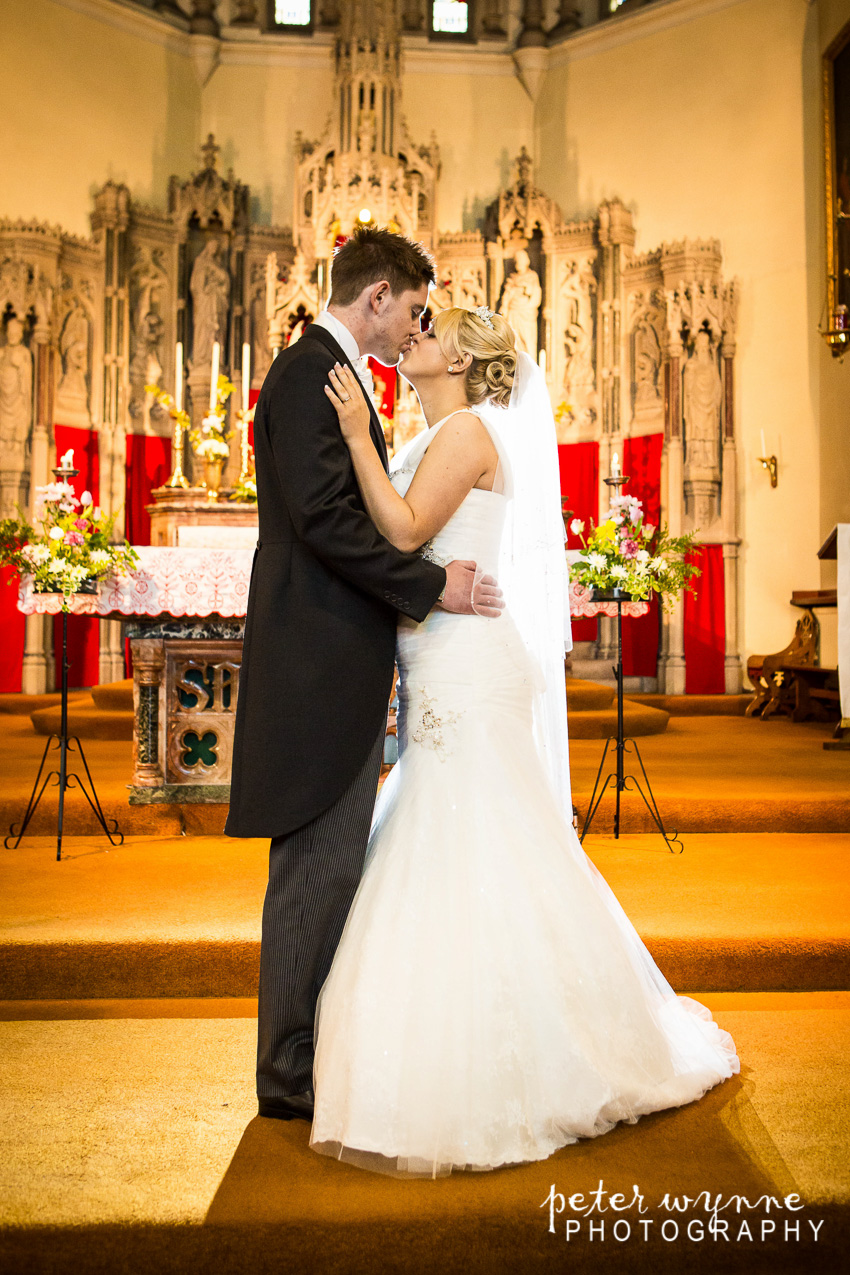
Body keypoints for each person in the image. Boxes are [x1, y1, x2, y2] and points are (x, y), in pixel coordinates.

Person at [309, 304, 740, 1177]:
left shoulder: (467, 430)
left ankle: (532, 1056)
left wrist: (356, 435)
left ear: (465, 358)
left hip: (467, 667)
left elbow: (401, 530)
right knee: (467, 838)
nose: (416, 336)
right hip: (442, 659)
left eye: (433, 329)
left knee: (472, 836)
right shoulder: (443, 431)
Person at [224, 228, 503, 1123]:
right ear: (376, 296)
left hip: (335, 665)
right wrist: (432, 590)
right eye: (413, 310)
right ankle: (287, 1074)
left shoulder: (333, 379)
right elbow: (327, 526)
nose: (412, 328)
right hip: (316, 669)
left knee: (332, 865)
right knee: (316, 866)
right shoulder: (313, 373)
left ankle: (300, 1056)